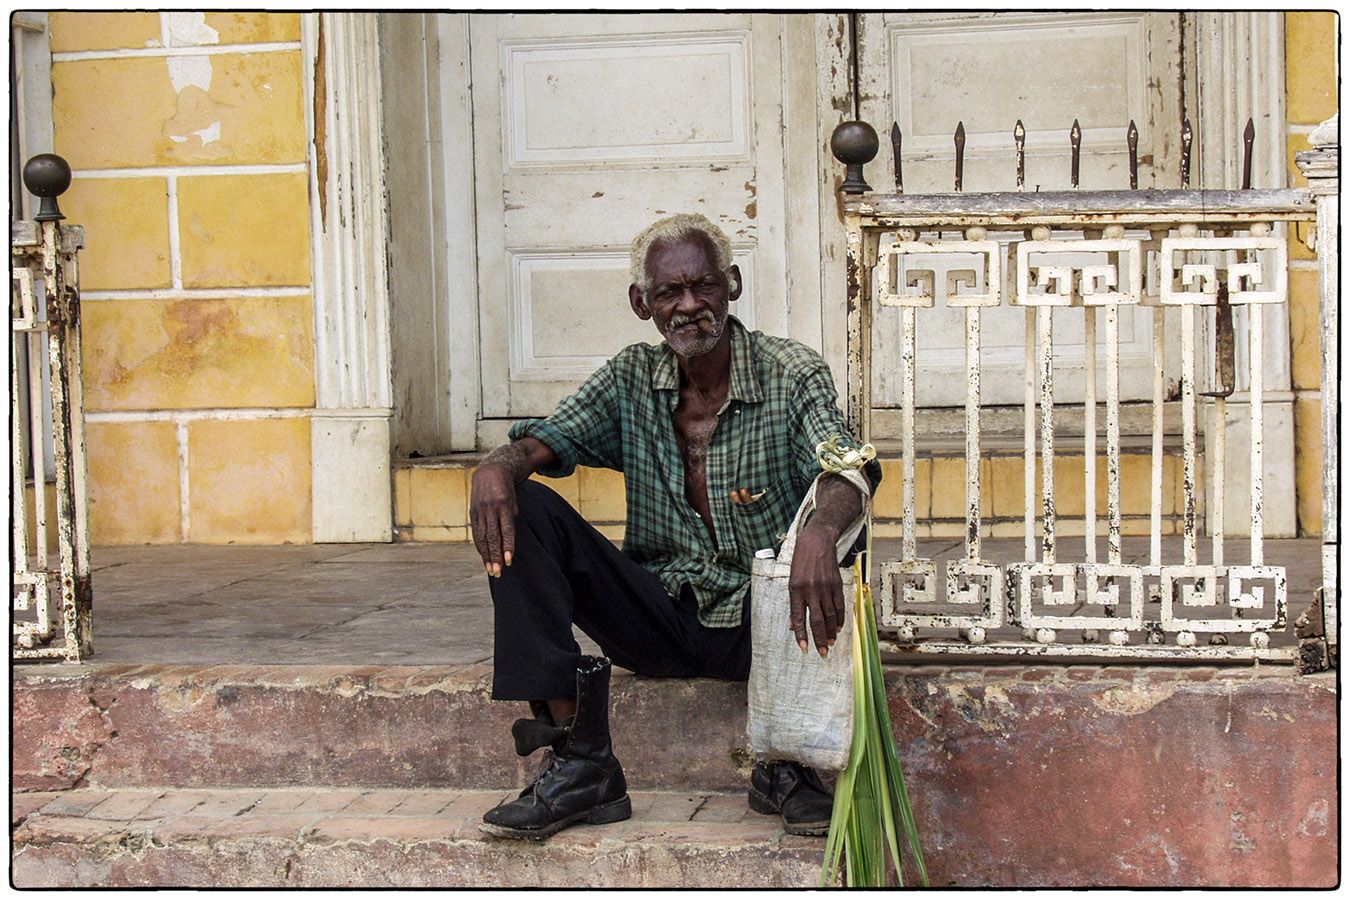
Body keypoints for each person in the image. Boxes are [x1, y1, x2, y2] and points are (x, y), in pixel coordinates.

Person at [469, 213, 880, 841]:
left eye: (704, 286)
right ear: (643, 304)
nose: (690, 306)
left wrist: (819, 533)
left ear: (732, 285)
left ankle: (785, 766)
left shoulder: (791, 372)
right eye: (669, 293)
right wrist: (496, 467)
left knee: (813, 552)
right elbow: (547, 439)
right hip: (659, 612)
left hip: (760, 624)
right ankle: (582, 761)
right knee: (520, 506)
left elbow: (845, 466)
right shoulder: (630, 378)